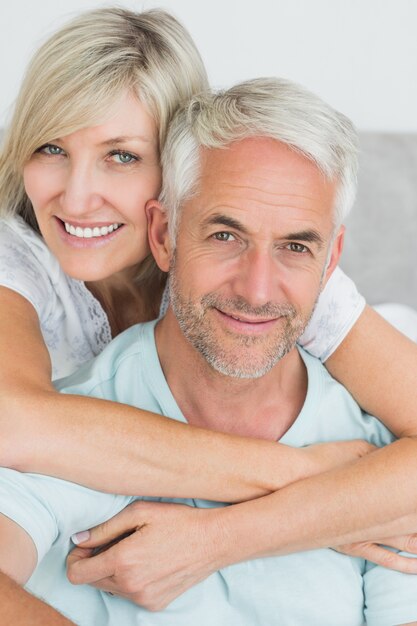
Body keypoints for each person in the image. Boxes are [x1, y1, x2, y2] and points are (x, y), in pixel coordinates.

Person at [0, 5, 417, 620]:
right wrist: (308, 480)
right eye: (51, 146)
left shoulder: (280, 275)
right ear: (166, 230)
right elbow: (15, 425)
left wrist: (216, 540)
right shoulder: (19, 262)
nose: (78, 196)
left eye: (121, 155)